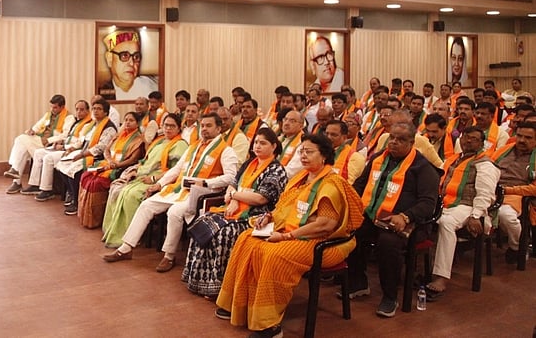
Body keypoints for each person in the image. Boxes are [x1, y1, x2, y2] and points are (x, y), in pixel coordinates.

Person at [215, 134, 364, 338]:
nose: (303, 155)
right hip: (294, 233)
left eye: (309, 152)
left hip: (324, 242)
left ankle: (269, 325)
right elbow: (285, 208)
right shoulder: (301, 178)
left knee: (274, 255)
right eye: (301, 151)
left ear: (324, 156)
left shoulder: (331, 183)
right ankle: (239, 305)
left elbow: (325, 225)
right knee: (247, 240)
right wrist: (269, 217)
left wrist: (287, 237)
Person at [102, 113, 239, 272]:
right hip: (178, 189)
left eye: (209, 126)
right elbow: (176, 170)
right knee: (146, 205)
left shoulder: (226, 150)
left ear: (219, 128)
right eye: (203, 125)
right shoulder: (194, 146)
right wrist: (159, 184)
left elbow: (231, 177)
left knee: (174, 212)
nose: (205, 129)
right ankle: (125, 248)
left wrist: (206, 182)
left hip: (201, 193)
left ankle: (169, 256)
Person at [345, 123, 440, 318]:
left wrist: (405, 216)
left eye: (401, 140)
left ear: (412, 143)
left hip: (408, 222)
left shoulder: (422, 168)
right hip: (374, 216)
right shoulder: (378, 159)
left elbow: (428, 203)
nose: (394, 142)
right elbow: (359, 185)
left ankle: (390, 296)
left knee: (387, 243)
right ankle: (358, 283)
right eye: (392, 138)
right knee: (349, 229)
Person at [180, 128, 288, 297]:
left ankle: (220, 285)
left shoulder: (277, 170)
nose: (257, 146)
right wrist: (234, 199)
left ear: (274, 146)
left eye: (263, 143)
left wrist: (234, 195)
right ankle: (198, 279)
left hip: (257, 215)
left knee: (224, 232)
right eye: (256, 143)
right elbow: (233, 183)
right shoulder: (249, 163)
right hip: (235, 207)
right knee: (204, 220)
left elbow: (261, 198)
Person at [426, 127, 499, 299]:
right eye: (466, 137)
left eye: (473, 139)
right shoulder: (454, 159)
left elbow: (485, 194)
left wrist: (476, 216)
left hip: (468, 206)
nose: (468, 141)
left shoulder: (485, 164)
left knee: (446, 223)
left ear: (481, 143)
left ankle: (441, 278)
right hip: (445, 203)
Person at [102, 113, 188, 248]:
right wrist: (135, 171)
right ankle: (112, 231)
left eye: (172, 126)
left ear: (179, 128)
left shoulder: (181, 145)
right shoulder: (160, 141)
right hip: (143, 174)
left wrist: (154, 178)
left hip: (161, 179)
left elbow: (175, 171)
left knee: (131, 194)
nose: (168, 129)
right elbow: (146, 161)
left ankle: (129, 237)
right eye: (166, 125)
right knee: (117, 188)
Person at [77, 112, 146, 228]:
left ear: (137, 123)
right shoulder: (119, 134)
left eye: (131, 120)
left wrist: (117, 165)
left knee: (96, 183)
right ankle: (86, 217)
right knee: (86, 176)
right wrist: (109, 161)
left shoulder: (138, 140)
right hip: (108, 163)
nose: (127, 123)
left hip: (120, 167)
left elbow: (133, 160)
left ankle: (96, 220)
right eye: (126, 120)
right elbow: (106, 150)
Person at [21, 99, 93, 201]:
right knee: (38, 153)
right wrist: (61, 142)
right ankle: (35, 184)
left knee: (48, 158)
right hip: (65, 146)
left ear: (87, 111)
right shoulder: (77, 122)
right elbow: (68, 136)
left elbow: (80, 143)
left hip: (72, 151)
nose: (78, 112)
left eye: (82, 110)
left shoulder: (88, 124)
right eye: (77, 109)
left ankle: (47, 190)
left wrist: (64, 147)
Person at [56, 99, 117, 216]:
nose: (95, 111)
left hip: (96, 157)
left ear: (105, 112)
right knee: (61, 165)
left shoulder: (109, 127)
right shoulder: (92, 125)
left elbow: (101, 147)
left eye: (99, 109)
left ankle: (76, 202)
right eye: (94, 109)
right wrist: (71, 149)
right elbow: (82, 140)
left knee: (73, 168)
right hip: (83, 152)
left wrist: (82, 154)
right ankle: (73, 194)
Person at [5, 94, 73, 193]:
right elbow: (37, 126)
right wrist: (32, 131)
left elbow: (65, 135)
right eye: (51, 107)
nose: (52, 109)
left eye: (55, 107)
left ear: (62, 107)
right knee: (21, 142)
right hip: (40, 140)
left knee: (21, 140)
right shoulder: (48, 115)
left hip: (51, 143)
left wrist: (49, 140)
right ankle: (16, 178)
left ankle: (16, 179)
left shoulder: (69, 117)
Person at [491, 121, 536, 263]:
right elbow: (488, 163)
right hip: (490, 189)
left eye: (528, 138)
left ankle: (516, 247)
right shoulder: (505, 150)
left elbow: (534, 188)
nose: (522, 140)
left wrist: (508, 190)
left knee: (506, 216)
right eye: (520, 136)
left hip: (515, 194)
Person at [98, 29, 158, 100]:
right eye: (124, 56)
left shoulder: (150, 85)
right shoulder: (103, 94)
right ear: (109, 59)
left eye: (136, 57)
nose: (132, 63)